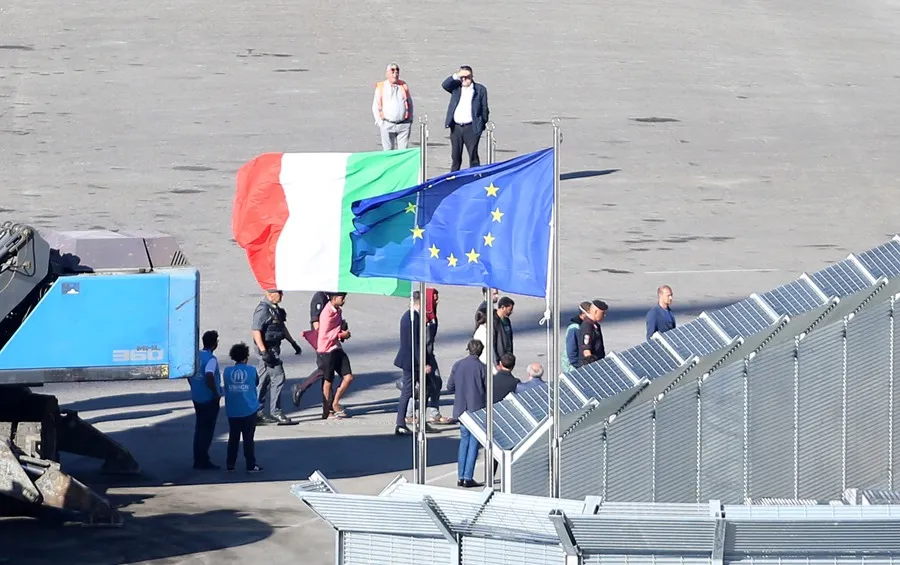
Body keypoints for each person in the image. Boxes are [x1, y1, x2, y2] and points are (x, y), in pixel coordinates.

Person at [251, 289, 302, 425]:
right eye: (279, 293)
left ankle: (256, 412)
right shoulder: (263, 310)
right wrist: (263, 351)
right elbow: (256, 331)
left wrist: (293, 343)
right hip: (268, 349)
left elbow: (281, 327)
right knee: (279, 377)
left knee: (264, 380)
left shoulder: (275, 309)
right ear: (269, 294)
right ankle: (276, 412)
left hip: (273, 347)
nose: (282, 295)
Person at [291, 291, 350, 407]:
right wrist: (323, 341)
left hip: (332, 342)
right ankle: (303, 388)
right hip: (323, 342)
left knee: (327, 372)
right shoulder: (320, 297)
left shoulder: (329, 297)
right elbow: (316, 322)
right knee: (325, 371)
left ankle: (328, 406)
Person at [394, 291, 439, 435]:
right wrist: (422, 363)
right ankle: (400, 424)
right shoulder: (413, 318)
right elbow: (416, 344)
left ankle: (421, 422)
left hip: (412, 359)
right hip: (412, 361)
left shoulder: (412, 316)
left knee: (426, 389)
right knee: (408, 391)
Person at [447, 339, 488, 488]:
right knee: (473, 443)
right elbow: (488, 389)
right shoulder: (482, 368)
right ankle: (468, 476)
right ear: (481, 351)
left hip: (460, 408)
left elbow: (449, 386)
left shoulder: (458, 365)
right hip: (476, 409)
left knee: (464, 441)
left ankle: (460, 475)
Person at [222, 342, 262, 473]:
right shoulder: (251, 370)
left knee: (233, 438)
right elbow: (256, 383)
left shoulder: (227, 372)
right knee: (248, 439)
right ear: (246, 357)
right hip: (249, 409)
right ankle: (250, 464)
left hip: (233, 410)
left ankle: (230, 463)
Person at [441, 66, 490, 172]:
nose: (464, 80)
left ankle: (475, 177)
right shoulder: (456, 87)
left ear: (472, 77)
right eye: (462, 77)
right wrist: (457, 75)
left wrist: (481, 124)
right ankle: (453, 178)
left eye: (466, 77)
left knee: (473, 156)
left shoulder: (479, 89)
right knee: (455, 156)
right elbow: (445, 85)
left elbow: (484, 109)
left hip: (471, 127)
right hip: (456, 127)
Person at [189, 330, 222, 470]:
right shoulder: (211, 359)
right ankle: (203, 460)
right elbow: (209, 375)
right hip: (209, 399)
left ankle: (198, 457)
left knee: (199, 428)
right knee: (207, 431)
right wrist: (215, 392)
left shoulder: (196, 355)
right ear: (215, 344)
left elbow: (188, 373)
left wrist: (193, 385)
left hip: (197, 397)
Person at [317, 292, 353, 419]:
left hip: (337, 347)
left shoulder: (338, 311)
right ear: (334, 298)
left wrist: (342, 331)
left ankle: (335, 402)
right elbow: (325, 333)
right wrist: (341, 335)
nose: (343, 300)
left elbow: (337, 328)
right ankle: (327, 411)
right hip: (326, 350)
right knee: (328, 381)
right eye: (342, 298)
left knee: (348, 377)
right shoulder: (326, 313)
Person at [372, 63, 413, 150]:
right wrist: (379, 122)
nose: (395, 73)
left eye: (397, 70)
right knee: (388, 152)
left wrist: (410, 120)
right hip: (387, 124)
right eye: (392, 70)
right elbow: (375, 106)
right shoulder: (381, 87)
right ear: (387, 74)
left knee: (403, 152)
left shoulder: (403, 85)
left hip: (403, 125)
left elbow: (410, 103)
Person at [576, 300, 608, 368]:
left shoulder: (595, 325)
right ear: (595, 312)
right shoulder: (587, 326)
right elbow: (586, 350)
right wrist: (592, 366)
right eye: (603, 313)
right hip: (590, 365)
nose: (604, 315)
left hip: (598, 362)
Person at [562, 302, 592, 373]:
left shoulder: (588, 325)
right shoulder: (574, 328)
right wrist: (578, 366)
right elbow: (571, 351)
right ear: (584, 314)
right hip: (574, 366)